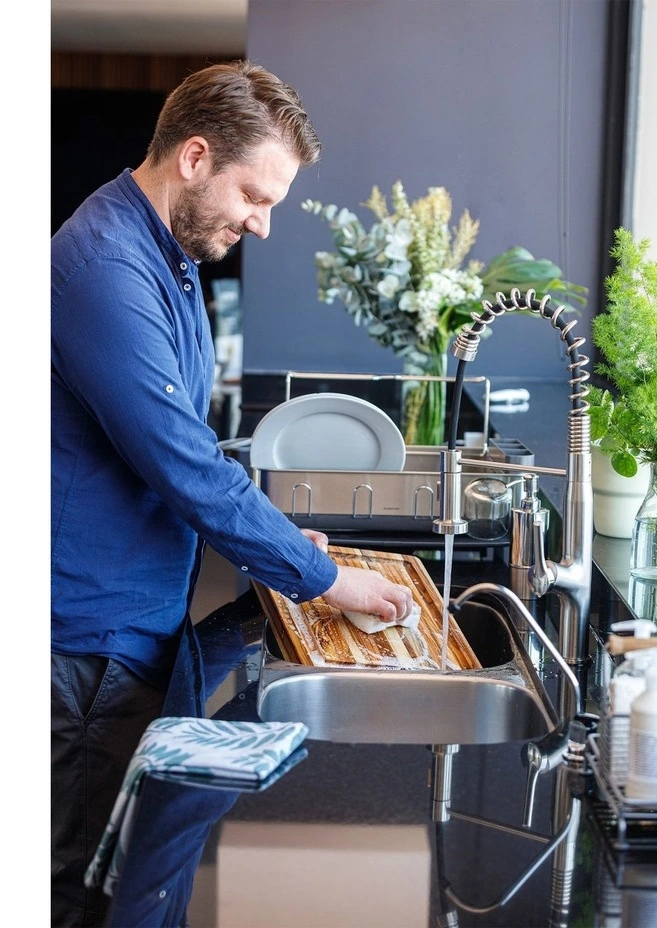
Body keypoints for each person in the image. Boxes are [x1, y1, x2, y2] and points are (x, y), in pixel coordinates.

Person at [51, 59, 414, 927]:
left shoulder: (171, 262)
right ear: (195, 157)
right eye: (255, 197)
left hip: (129, 632)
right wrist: (322, 578)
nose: (261, 225)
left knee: (123, 886)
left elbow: (190, 444)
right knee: (81, 895)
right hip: (82, 646)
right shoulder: (103, 267)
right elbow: (181, 464)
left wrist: (287, 545)